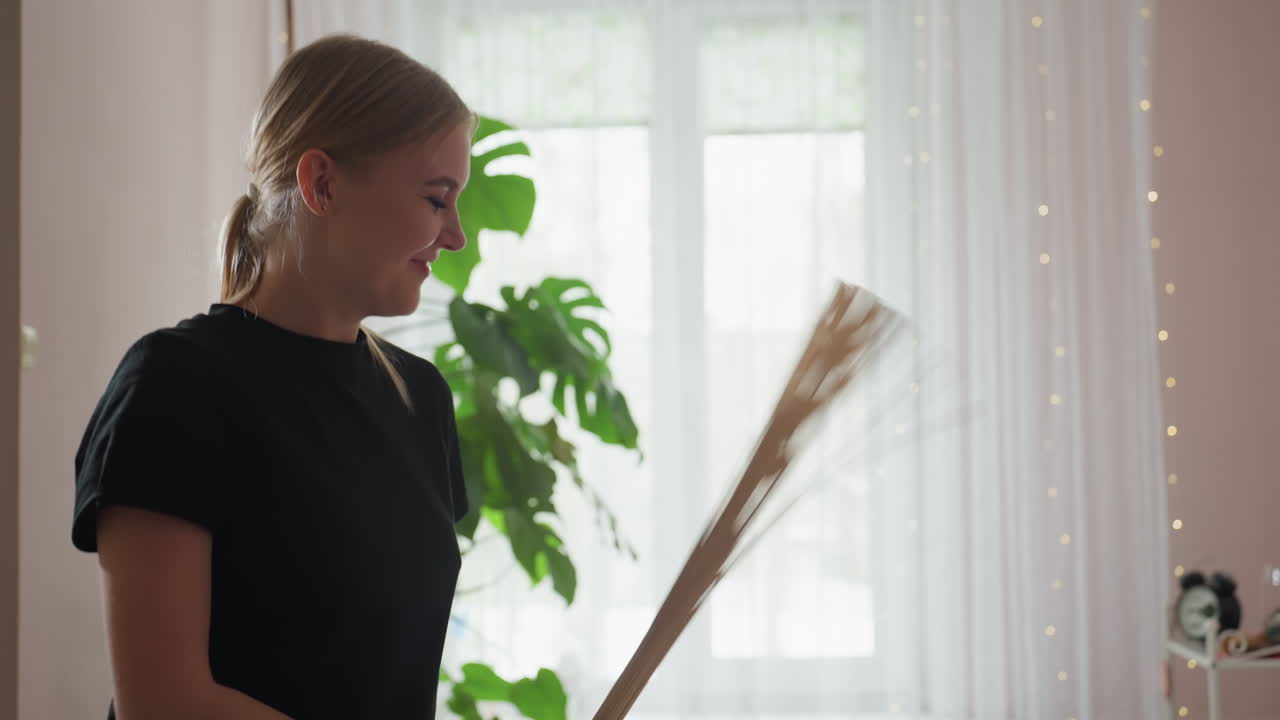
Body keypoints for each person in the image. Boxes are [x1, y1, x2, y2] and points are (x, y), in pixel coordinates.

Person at [71, 34, 473, 719]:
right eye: (437, 199)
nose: (457, 234)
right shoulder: (175, 387)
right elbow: (165, 703)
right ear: (321, 182)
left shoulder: (420, 396)